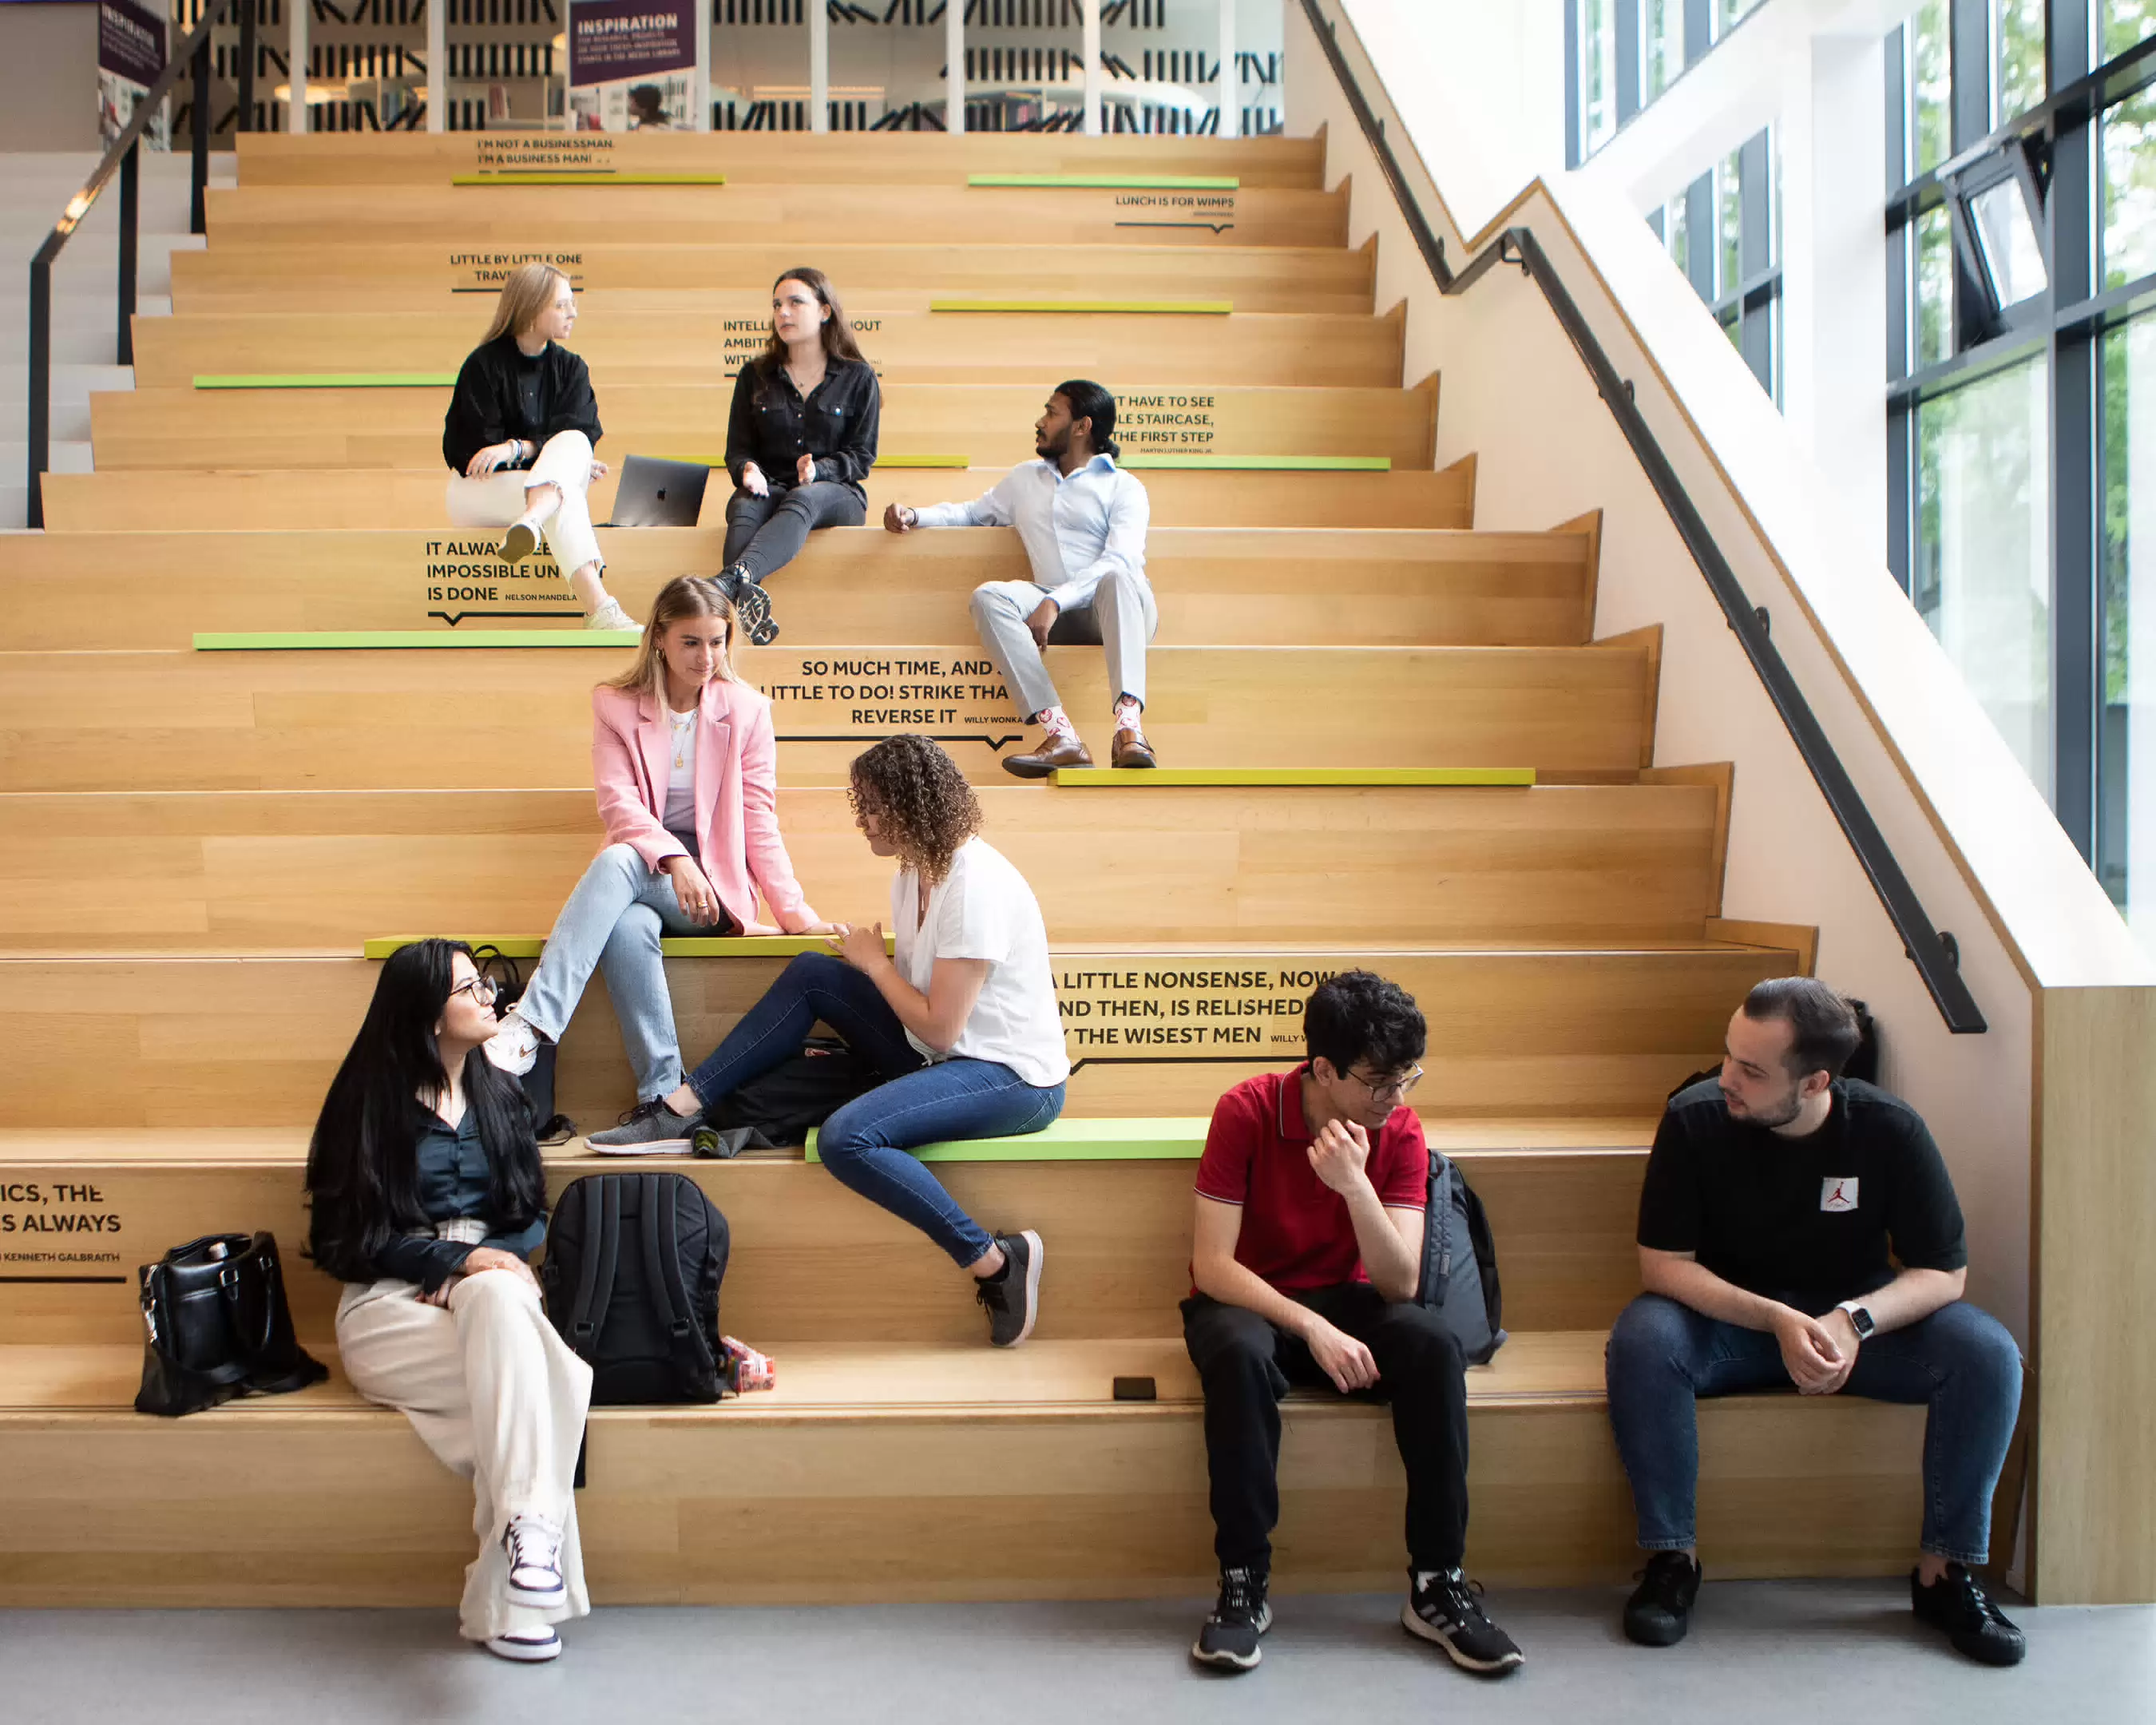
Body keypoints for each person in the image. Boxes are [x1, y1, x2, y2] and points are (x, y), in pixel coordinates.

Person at [589, 734, 1066, 1349]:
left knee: (846, 1138)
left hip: (1011, 1078)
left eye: (873, 806)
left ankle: (995, 1263)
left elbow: (942, 1026)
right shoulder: (913, 874)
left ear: (915, 805)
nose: (863, 820)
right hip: (942, 1057)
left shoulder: (974, 884)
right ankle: (682, 1106)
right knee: (814, 974)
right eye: (859, 804)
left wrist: (875, 965)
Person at [1604, 976, 2026, 1666]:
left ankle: (1944, 1573)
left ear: (1814, 1082)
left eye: (1751, 1070)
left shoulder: (1890, 1129)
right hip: (1734, 1325)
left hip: (1853, 1327)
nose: (1727, 1079)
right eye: (1729, 1055)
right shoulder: (1694, 1118)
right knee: (1644, 1338)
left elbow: (1943, 1272)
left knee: (1988, 1351)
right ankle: (1672, 1561)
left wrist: (1852, 1321)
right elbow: (1664, 1265)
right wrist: (1776, 1318)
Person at [1182, 971, 1523, 1677]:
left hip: (1352, 1302)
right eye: (1377, 1082)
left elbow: (1400, 1284)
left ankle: (1437, 1585)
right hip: (1253, 1301)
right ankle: (1243, 1584)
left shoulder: (1396, 1126)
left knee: (1434, 1347)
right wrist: (1310, 1326)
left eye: (1406, 1079)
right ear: (1323, 1069)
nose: (1394, 1097)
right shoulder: (1246, 1111)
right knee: (1239, 1355)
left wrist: (1355, 1185)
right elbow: (1213, 1267)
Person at [304, 938, 591, 1665]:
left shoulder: (500, 1091)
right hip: (390, 1310)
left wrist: (481, 1271)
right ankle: (521, 1592)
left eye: (485, 983)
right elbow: (345, 1239)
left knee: (501, 1308)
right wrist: (450, 1262)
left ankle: (524, 1547)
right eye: (470, 988)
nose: (490, 996)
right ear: (428, 1013)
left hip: (489, 1308)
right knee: (546, 1386)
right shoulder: (368, 1102)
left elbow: (529, 1210)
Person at [488, 575, 828, 1138]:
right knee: (625, 922)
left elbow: (759, 823)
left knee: (619, 862)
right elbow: (618, 804)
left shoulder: (748, 711)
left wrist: (797, 918)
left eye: (717, 641)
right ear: (660, 640)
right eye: (692, 642)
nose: (707, 656)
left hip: (712, 890)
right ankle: (662, 1096)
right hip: (647, 874)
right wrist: (674, 858)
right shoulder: (615, 705)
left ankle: (533, 1024)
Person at [884, 379, 1157, 776]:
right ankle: (1061, 736)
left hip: (1120, 609)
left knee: (1115, 578)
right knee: (989, 595)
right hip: (1055, 608)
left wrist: (1055, 601)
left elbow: (1121, 560)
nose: (1041, 421)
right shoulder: (1026, 478)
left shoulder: (1125, 487)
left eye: (1051, 413)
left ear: (1082, 426)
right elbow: (973, 513)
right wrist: (915, 515)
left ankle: (1129, 730)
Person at [442, 262, 633, 632]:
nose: (573, 313)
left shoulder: (572, 369)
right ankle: (601, 612)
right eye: (562, 305)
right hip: (477, 493)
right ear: (530, 309)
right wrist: (559, 464)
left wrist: (518, 449)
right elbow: (472, 455)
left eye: (572, 304)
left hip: (529, 495)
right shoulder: (483, 366)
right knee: (564, 489)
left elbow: (581, 433)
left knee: (572, 451)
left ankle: (534, 522)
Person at [715, 267, 880, 648]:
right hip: (769, 486)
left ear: (825, 311)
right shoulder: (754, 375)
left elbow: (862, 456)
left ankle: (729, 584)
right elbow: (738, 449)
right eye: (777, 305)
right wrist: (748, 470)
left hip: (837, 494)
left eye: (795, 303)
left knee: (802, 496)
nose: (782, 313)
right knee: (743, 503)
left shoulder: (858, 376)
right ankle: (740, 608)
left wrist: (820, 469)